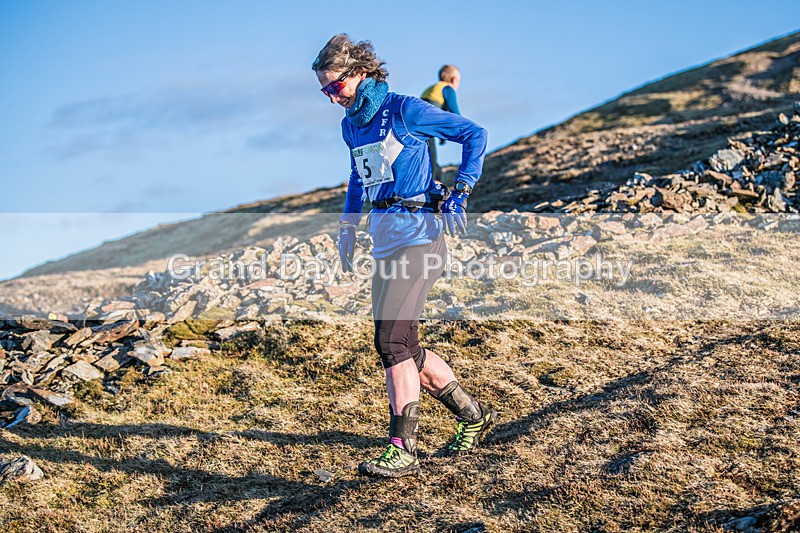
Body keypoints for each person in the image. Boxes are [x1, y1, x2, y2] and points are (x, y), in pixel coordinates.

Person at [312, 34, 495, 478]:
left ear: (360, 73)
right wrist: (347, 224)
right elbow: (359, 175)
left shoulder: (404, 109)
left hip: (422, 235)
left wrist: (461, 192)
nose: (331, 98)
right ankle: (473, 417)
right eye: (324, 91)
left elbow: (475, 134)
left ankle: (403, 448)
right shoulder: (351, 125)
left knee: (390, 342)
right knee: (403, 346)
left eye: (335, 86)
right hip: (386, 239)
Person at [420, 65, 462, 181]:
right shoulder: (447, 89)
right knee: (431, 157)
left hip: (418, 124)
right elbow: (455, 114)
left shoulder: (431, 89)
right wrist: (464, 130)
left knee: (425, 156)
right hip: (427, 126)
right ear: (454, 80)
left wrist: (442, 136)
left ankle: (433, 179)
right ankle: (432, 186)